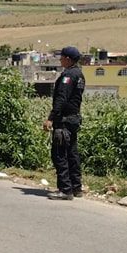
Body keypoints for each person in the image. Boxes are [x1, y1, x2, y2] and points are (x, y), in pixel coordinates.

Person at [43, 46, 86, 200]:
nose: (60, 59)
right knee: (72, 154)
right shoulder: (79, 74)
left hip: (64, 121)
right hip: (74, 119)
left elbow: (61, 99)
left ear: (68, 59)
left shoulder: (68, 76)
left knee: (59, 154)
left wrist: (51, 118)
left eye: (61, 57)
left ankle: (65, 190)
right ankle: (76, 187)